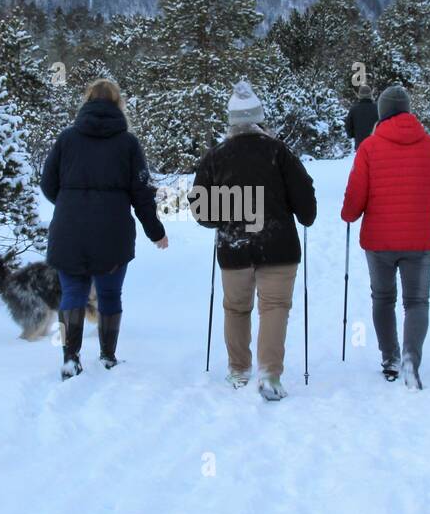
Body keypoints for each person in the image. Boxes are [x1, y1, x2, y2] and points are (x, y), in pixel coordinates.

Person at [193, 80, 317, 400]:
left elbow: (201, 210)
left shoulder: (215, 156)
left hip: (234, 247)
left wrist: (224, 216)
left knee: (236, 308)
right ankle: (270, 375)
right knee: (274, 307)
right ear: (259, 118)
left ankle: (238, 370)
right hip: (278, 245)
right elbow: (305, 198)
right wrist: (303, 216)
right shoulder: (279, 152)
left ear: (231, 121)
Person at [41, 78, 168, 379]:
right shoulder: (128, 143)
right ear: (118, 103)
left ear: (86, 101)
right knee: (110, 294)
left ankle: (70, 357)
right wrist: (156, 231)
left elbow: (47, 184)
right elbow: (141, 193)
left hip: (69, 230)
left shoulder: (67, 139)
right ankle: (108, 356)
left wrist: (70, 201)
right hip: (112, 233)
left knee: (72, 291)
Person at [340, 84, 430, 390]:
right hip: (420, 240)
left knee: (383, 299)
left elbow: (355, 194)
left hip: (379, 241)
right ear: (407, 110)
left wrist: (349, 215)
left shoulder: (369, 147)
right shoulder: (429, 146)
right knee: (417, 301)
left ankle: (390, 357)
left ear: (382, 113)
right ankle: (410, 357)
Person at [344, 84, 378, 149]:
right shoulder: (378, 108)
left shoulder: (354, 109)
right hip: (376, 144)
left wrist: (355, 135)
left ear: (359, 95)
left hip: (360, 144)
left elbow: (348, 127)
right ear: (370, 95)